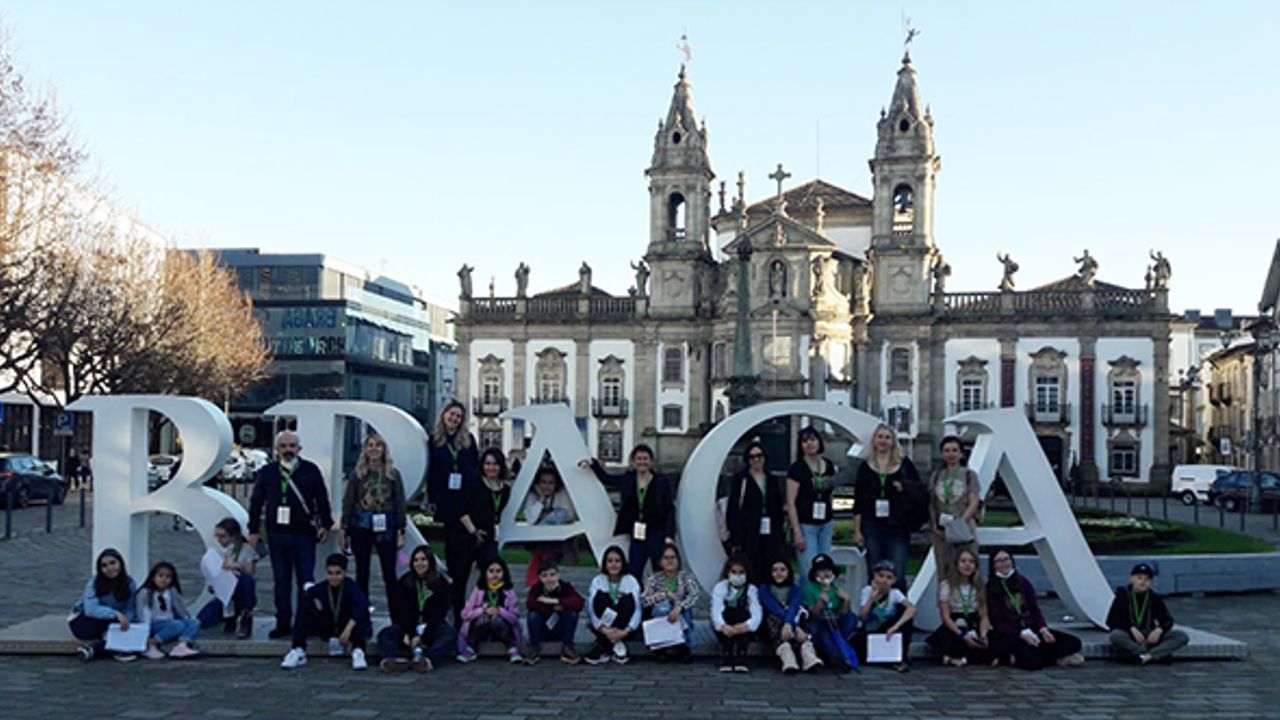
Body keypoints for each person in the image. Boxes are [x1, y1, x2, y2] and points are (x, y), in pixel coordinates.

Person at [247, 430, 334, 639]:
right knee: (281, 581)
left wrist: (325, 524)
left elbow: (322, 498)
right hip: (277, 535)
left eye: (292, 446)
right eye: (283, 446)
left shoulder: (310, 470)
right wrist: (253, 529)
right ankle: (283, 622)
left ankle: (306, 622)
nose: (288, 450)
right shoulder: (267, 472)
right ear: (277, 449)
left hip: (304, 534)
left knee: (306, 580)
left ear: (299, 448)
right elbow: (256, 502)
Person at [581, 444, 675, 579]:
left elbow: (669, 508)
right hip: (637, 533)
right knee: (634, 570)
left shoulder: (661, 481)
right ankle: (637, 597)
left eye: (645, 459)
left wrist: (669, 534)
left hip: (656, 531)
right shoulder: (628, 479)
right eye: (639, 459)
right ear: (633, 461)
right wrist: (594, 465)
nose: (642, 462)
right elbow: (608, 479)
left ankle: (660, 598)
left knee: (660, 569)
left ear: (651, 461)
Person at [339, 432, 406, 614]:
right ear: (365, 450)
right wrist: (344, 528)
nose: (374, 449)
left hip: (386, 526)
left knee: (389, 574)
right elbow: (348, 501)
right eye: (370, 445)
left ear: (384, 449)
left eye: (378, 445)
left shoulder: (392, 474)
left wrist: (401, 530)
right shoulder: (358, 474)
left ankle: (397, 617)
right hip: (361, 526)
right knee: (362, 572)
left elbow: (400, 502)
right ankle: (362, 617)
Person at [426, 400, 481, 624]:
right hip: (447, 503)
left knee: (464, 556)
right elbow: (432, 472)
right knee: (452, 552)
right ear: (444, 415)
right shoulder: (434, 442)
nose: (455, 419)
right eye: (452, 414)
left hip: (466, 501)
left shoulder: (468, 441)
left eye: (459, 416)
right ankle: (454, 602)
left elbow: (475, 469)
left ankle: (459, 600)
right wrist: (431, 499)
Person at [854, 423, 926, 592]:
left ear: (893, 441)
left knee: (897, 572)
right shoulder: (865, 467)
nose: (883, 441)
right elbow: (858, 502)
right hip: (872, 525)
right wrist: (857, 531)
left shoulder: (905, 465)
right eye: (880, 437)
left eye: (887, 437)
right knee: (874, 571)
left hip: (898, 526)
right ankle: (875, 612)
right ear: (874, 440)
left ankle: (900, 614)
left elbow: (919, 491)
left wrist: (904, 487)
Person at [987, 549, 1085, 670]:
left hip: (1032, 628)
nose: (1004, 563)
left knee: (1074, 642)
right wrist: (1020, 634)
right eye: (999, 561)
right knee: (1032, 663)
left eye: (1006, 559)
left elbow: (1035, 610)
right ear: (993, 565)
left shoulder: (1023, 582)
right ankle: (1054, 658)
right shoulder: (991, 588)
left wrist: (1043, 629)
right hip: (1012, 634)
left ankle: (1045, 656)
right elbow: (997, 622)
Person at [280, 553, 371, 671]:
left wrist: (348, 629)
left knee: (362, 611)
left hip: (347, 627)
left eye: (338, 573)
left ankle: (358, 650)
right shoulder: (322, 587)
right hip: (328, 627)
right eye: (330, 573)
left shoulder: (351, 587)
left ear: (344, 573)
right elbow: (309, 595)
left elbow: (363, 605)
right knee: (304, 607)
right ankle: (298, 650)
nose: (334, 577)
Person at [376, 544, 456, 672]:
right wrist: (410, 633)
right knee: (386, 634)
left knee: (449, 634)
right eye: (416, 560)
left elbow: (439, 614)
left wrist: (423, 636)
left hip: (431, 627)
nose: (419, 563)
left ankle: (428, 661)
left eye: (423, 559)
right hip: (408, 629)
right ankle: (391, 660)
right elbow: (400, 612)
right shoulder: (404, 582)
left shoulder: (441, 584)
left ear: (430, 561)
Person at [725, 441, 786, 584]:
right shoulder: (741, 480)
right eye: (752, 457)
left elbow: (777, 507)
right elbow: (733, 508)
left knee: (769, 566)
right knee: (750, 567)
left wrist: (779, 532)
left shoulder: (771, 479)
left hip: (770, 532)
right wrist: (736, 536)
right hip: (748, 533)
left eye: (759, 456)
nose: (756, 460)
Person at [1106, 562, 1189, 665]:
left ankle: (1147, 657)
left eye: (1147, 579)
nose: (1143, 582)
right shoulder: (1123, 595)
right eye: (1139, 578)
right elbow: (1111, 620)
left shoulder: (1153, 597)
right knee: (1115, 636)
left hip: (1149, 635)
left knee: (1181, 636)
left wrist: (1159, 629)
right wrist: (1130, 628)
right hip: (1129, 635)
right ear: (1132, 579)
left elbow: (1167, 620)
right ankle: (1155, 654)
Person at [458, 448, 512, 596]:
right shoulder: (474, 483)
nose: (491, 467)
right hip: (469, 535)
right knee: (461, 577)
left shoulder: (505, 489)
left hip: (489, 537)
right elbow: (462, 510)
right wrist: (474, 531)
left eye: (495, 464)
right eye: (487, 464)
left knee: (491, 574)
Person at [926, 547, 993, 667]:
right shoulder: (946, 585)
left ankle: (960, 658)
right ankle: (959, 657)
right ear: (956, 564)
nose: (967, 565)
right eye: (963, 561)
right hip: (955, 624)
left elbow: (984, 615)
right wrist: (962, 635)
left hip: (973, 622)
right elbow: (945, 617)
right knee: (956, 643)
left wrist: (983, 635)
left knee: (991, 644)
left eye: (971, 562)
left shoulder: (980, 586)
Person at [69, 548, 138, 662]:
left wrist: (126, 620)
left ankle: (91, 650)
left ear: (120, 563)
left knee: (130, 627)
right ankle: (116, 647)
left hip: (112, 621)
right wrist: (116, 614)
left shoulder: (130, 583)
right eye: (104, 565)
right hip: (85, 620)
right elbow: (90, 609)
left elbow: (130, 608)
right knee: (115, 632)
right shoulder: (94, 583)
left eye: (113, 563)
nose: (110, 568)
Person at [786, 427, 837, 576]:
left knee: (826, 569)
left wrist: (831, 518)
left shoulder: (828, 465)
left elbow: (830, 494)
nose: (809, 444)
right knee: (809, 570)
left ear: (819, 442)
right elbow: (790, 502)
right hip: (806, 525)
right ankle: (808, 599)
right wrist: (797, 532)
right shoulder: (797, 469)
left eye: (812, 440)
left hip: (825, 524)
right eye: (805, 441)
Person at [196, 517, 257, 639]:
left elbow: (250, 571)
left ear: (233, 536)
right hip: (227, 591)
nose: (218, 540)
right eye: (217, 536)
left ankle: (245, 615)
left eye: (222, 536)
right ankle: (229, 616)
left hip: (239, 589)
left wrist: (237, 566)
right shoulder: (228, 550)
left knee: (246, 582)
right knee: (202, 620)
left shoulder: (246, 549)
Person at [929, 436, 982, 574]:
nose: (950, 454)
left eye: (954, 450)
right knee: (944, 569)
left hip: (964, 527)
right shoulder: (936, 476)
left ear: (960, 453)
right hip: (942, 529)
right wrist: (934, 525)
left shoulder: (969, 475)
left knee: (967, 567)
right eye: (947, 450)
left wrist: (959, 524)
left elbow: (974, 501)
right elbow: (932, 503)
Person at [456, 557, 524, 664]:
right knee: (483, 619)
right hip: (481, 627)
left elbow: (515, 617)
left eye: (498, 571)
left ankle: (512, 648)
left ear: (504, 573)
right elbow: (465, 614)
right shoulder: (478, 591)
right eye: (491, 571)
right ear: (485, 573)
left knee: (497, 620)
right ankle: (470, 648)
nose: (495, 575)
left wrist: (500, 611)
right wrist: (482, 610)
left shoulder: (509, 592)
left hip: (502, 628)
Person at [520, 463, 577, 587]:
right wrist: (540, 499)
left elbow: (567, 515)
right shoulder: (533, 495)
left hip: (556, 543)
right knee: (542, 569)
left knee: (548, 570)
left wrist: (543, 516)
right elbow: (530, 519)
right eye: (543, 482)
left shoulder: (562, 494)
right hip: (539, 544)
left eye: (551, 482)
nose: (547, 486)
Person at [854, 560, 916, 673]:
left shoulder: (895, 593)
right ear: (874, 576)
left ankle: (901, 657)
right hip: (871, 630)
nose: (884, 580)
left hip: (888, 629)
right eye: (881, 576)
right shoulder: (867, 591)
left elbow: (912, 608)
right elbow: (862, 616)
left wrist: (896, 626)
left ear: (894, 581)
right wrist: (872, 598)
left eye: (889, 577)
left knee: (906, 619)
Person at [640, 543, 700, 660]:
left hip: (681, 615)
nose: (669, 561)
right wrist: (664, 595)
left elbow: (694, 594)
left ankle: (683, 645)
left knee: (683, 610)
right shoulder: (653, 579)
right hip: (662, 615)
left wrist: (679, 607)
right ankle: (663, 646)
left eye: (673, 557)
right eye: (666, 558)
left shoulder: (686, 576)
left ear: (678, 560)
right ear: (660, 561)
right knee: (664, 607)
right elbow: (644, 600)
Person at [585, 545, 642, 665]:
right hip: (603, 626)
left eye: (617, 561)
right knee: (600, 598)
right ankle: (615, 644)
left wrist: (626, 631)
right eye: (610, 561)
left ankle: (604, 646)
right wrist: (605, 630)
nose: (614, 564)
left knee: (627, 600)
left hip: (624, 625)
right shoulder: (598, 581)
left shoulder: (631, 580)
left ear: (623, 563)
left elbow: (637, 609)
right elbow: (591, 608)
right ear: (605, 563)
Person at [802, 553, 859, 672]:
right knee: (824, 633)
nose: (826, 574)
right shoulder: (809, 589)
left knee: (852, 618)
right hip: (819, 622)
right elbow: (811, 615)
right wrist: (820, 603)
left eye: (828, 570)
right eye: (821, 571)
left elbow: (844, 613)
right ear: (815, 574)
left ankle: (838, 647)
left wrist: (846, 601)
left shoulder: (836, 589)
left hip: (836, 622)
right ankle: (835, 656)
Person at [136, 561, 201, 660]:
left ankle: (182, 645)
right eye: (160, 576)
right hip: (155, 623)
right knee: (177, 625)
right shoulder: (145, 592)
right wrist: (145, 631)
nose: (164, 579)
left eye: (168, 577)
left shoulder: (172, 591)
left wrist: (186, 619)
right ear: (153, 577)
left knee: (194, 622)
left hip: (171, 621)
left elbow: (181, 609)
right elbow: (143, 613)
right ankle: (152, 643)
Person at [525, 560, 585, 665]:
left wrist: (556, 601)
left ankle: (567, 647)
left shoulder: (566, 587)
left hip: (560, 628)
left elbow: (579, 602)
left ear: (558, 575)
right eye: (545, 576)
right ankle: (534, 648)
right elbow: (530, 604)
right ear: (539, 578)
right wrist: (552, 607)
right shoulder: (536, 588)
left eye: (552, 575)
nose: (549, 579)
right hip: (543, 629)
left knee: (571, 614)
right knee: (532, 615)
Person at [711, 554, 762, 673]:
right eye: (734, 572)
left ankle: (741, 656)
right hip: (726, 624)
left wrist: (747, 626)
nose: (737, 576)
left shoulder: (751, 589)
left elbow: (756, 612)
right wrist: (722, 626)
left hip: (743, 625)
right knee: (727, 615)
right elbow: (716, 610)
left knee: (742, 614)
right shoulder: (720, 587)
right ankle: (727, 655)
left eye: (741, 572)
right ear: (727, 572)